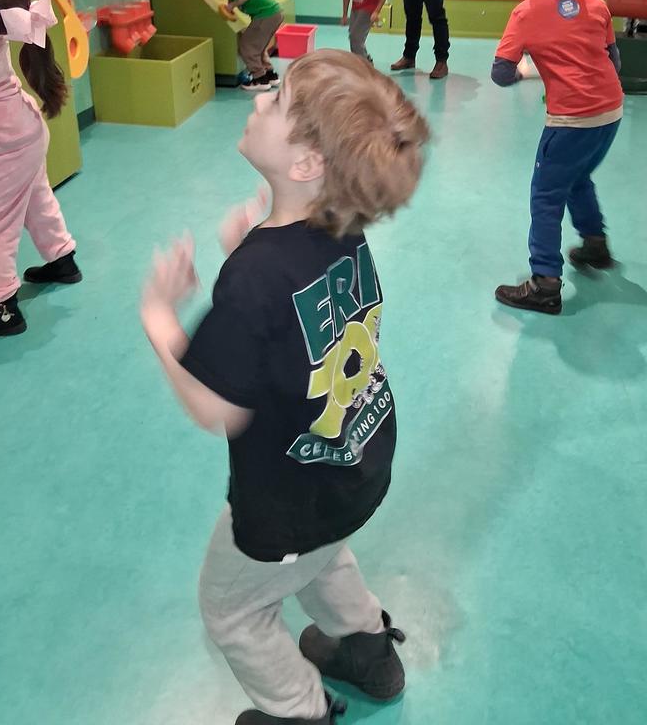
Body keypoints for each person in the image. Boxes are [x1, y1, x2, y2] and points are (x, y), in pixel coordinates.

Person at [141, 50, 430, 725]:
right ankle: (366, 652)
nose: (256, 101)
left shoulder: (254, 279)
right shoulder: (344, 228)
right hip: (351, 464)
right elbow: (299, 307)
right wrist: (249, 244)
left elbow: (214, 406)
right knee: (323, 555)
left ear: (306, 164)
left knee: (232, 610)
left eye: (274, 102)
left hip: (285, 497)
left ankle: (298, 710)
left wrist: (159, 319)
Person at [490, 0, 623, 315]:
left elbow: (500, 73)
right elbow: (614, 62)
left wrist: (525, 73)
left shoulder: (526, 13)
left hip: (571, 121)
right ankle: (595, 244)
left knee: (546, 196)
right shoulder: (596, 5)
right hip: (610, 113)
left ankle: (545, 283)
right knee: (578, 176)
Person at [0, 0, 82, 341]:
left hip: (1, 145)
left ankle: (3, 309)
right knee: (37, 200)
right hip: (25, 131)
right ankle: (62, 259)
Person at [197, 0, 283, 93]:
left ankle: (259, 79)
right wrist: (233, 1)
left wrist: (231, 6)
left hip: (265, 15)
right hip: (274, 13)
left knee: (246, 46)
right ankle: (270, 74)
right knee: (258, 47)